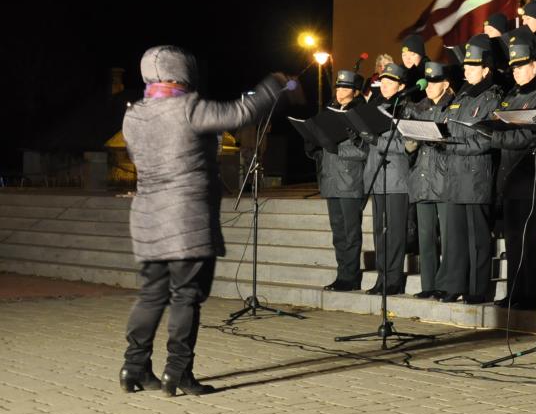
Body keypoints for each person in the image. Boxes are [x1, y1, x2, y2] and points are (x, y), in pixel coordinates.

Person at [121, 46, 287, 396]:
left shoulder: (133, 115)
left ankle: (133, 367)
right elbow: (241, 112)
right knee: (186, 297)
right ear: (182, 72)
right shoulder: (189, 107)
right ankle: (178, 373)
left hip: (148, 219)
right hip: (186, 220)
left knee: (151, 295)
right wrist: (273, 84)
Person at [432, 35, 502, 303]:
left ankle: (477, 288)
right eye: (465, 66)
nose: (466, 70)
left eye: (472, 67)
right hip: (454, 174)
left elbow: (485, 140)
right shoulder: (462, 94)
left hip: (475, 176)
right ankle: (452, 284)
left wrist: (450, 145)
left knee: (477, 237)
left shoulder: (491, 96)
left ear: (485, 70)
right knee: (454, 237)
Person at [490, 31, 536, 308]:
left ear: (535, 65)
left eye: (521, 66)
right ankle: (515, 290)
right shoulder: (512, 94)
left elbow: (531, 134)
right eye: (513, 67)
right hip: (510, 178)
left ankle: (532, 292)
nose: (515, 71)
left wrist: (495, 136)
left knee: (530, 240)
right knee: (513, 240)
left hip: (531, 176)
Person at [308, 69, 369, 292]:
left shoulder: (360, 112)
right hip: (331, 179)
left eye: (345, 87)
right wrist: (314, 146)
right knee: (338, 232)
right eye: (338, 87)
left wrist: (336, 150)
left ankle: (350, 276)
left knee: (351, 232)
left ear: (355, 92)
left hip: (350, 180)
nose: (340, 91)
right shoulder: (330, 110)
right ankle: (341, 274)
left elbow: (365, 151)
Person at [364, 62, 413, 296]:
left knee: (394, 232)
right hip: (376, 176)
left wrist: (376, 140)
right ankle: (381, 277)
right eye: (382, 80)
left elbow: (406, 145)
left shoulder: (406, 108)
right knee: (379, 232)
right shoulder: (373, 106)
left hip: (396, 178)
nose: (384, 84)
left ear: (401, 85)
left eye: (390, 81)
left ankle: (394, 279)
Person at [407, 60, 453, 298]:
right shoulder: (418, 108)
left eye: (434, 82)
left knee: (446, 236)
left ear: (445, 84)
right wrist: (409, 142)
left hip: (443, 179)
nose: (429, 86)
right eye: (428, 81)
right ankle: (428, 285)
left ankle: (445, 284)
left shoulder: (453, 105)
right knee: (425, 236)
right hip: (422, 178)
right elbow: (408, 147)